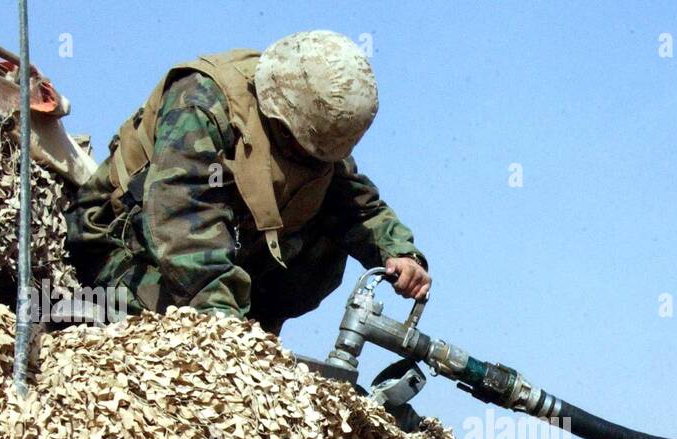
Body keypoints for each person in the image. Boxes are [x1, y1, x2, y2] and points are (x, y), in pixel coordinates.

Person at [66, 30, 430, 334]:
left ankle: (253, 323)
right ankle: (227, 323)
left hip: (217, 256)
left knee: (326, 225)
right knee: (171, 328)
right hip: (126, 245)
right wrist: (227, 328)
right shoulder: (202, 103)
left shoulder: (312, 134)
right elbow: (185, 224)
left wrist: (398, 251)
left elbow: (354, 202)